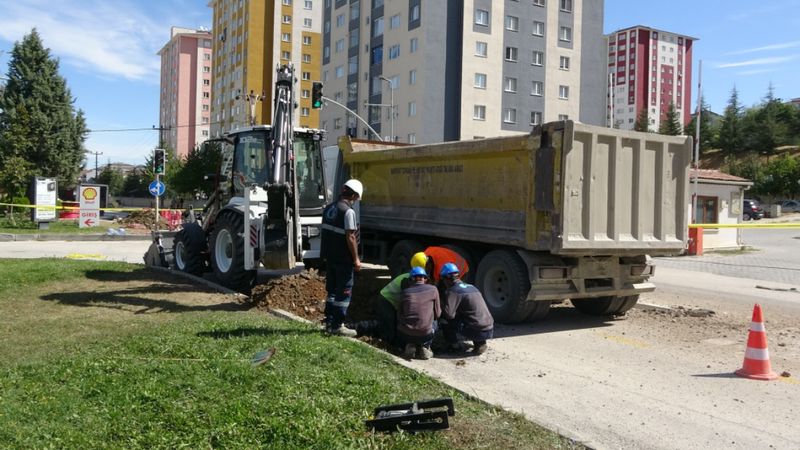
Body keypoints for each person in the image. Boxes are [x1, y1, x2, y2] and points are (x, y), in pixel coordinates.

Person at [320, 179, 363, 337]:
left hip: (330, 257)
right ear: (354, 195)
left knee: (332, 291)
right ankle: (338, 325)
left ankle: (330, 322)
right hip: (343, 259)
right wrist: (356, 259)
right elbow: (351, 237)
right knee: (344, 291)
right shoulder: (348, 212)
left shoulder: (328, 208)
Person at [439, 263, 494, 355]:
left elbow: (449, 314)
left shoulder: (453, 291)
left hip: (476, 330)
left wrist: (440, 302)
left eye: (443, 279)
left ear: (447, 279)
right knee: (471, 315)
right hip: (489, 328)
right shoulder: (472, 287)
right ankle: (480, 343)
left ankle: (454, 345)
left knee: (444, 319)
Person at [376, 255, 426, 346]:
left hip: (390, 300)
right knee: (389, 331)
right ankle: (385, 343)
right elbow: (407, 302)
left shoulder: (411, 276)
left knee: (392, 326)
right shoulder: (408, 281)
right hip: (386, 301)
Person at [397, 267, 441, 360]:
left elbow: (399, 315)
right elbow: (438, 314)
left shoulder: (404, 292)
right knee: (435, 321)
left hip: (405, 333)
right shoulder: (433, 289)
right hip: (426, 334)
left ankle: (410, 345)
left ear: (411, 280)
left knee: (405, 323)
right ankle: (425, 346)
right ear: (425, 279)